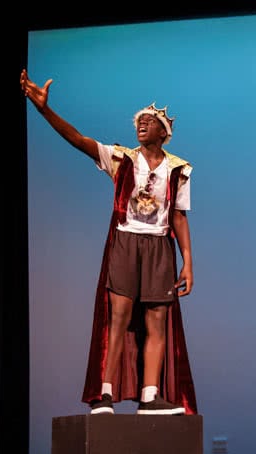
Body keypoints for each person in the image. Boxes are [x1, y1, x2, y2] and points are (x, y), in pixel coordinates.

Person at [20, 69, 198, 416]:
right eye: (139, 120)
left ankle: (150, 395)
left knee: (157, 318)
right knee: (119, 315)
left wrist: (188, 261)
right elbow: (78, 139)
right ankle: (105, 394)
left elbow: (178, 217)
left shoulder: (178, 170)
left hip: (160, 246)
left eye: (150, 120)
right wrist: (43, 109)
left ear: (165, 133)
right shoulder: (121, 158)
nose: (141, 123)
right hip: (126, 240)